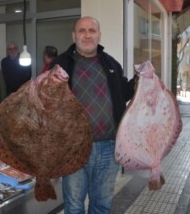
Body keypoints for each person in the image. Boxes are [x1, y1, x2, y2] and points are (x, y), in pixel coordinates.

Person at [50, 16, 136, 214]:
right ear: (74, 35)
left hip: (108, 147)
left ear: (99, 35)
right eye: (82, 31)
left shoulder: (111, 63)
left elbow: (122, 94)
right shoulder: (60, 63)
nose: (87, 35)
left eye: (91, 30)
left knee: (102, 205)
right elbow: (45, 100)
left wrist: (141, 79)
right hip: (73, 148)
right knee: (74, 206)